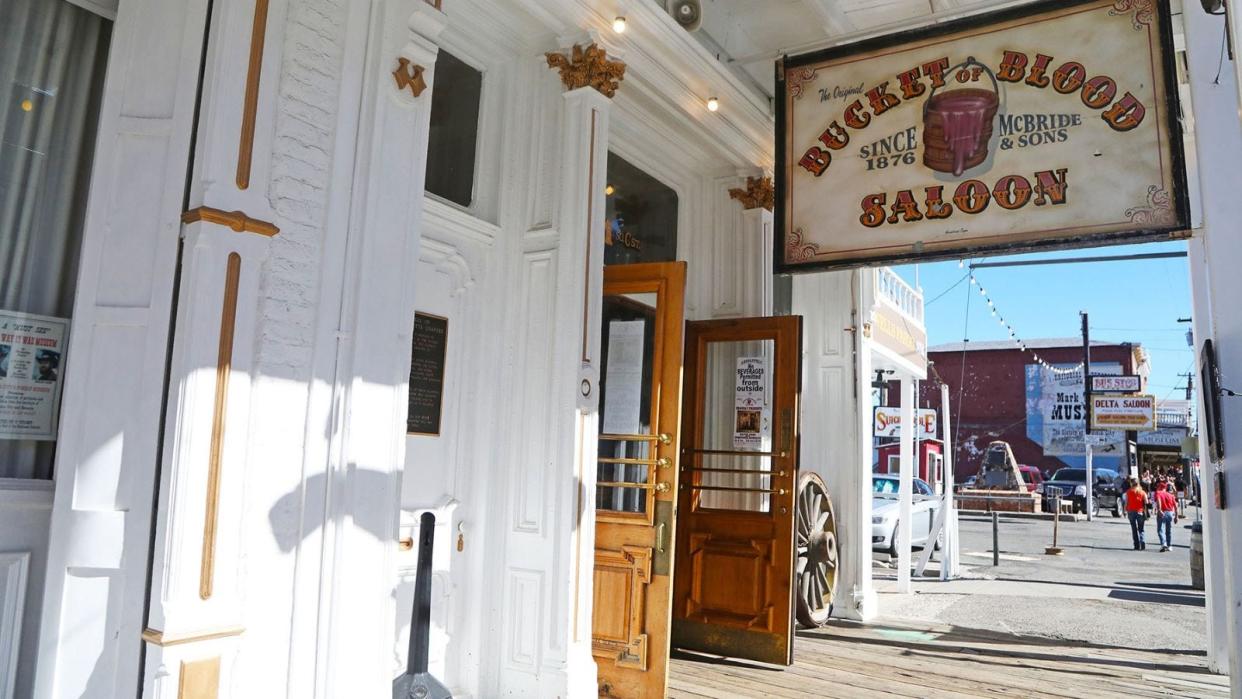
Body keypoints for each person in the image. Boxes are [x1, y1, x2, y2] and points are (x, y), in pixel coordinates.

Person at [1153, 478, 1179, 552]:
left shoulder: (1158, 493)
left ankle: (1163, 544)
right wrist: (1176, 516)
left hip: (1162, 512)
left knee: (1160, 529)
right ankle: (1169, 545)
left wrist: (1159, 509)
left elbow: (1158, 500)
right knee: (1168, 529)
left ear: (1159, 487)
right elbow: (1175, 505)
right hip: (1170, 513)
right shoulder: (1170, 495)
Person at [1124, 478, 1148, 551]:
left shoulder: (1128, 492)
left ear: (1131, 483)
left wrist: (1125, 510)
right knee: (1141, 528)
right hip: (1140, 511)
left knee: (1134, 529)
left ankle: (1136, 545)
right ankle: (1142, 541)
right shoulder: (1142, 492)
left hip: (1131, 511)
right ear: (1138, 483)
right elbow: (1146, 502)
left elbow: (1126, 502)